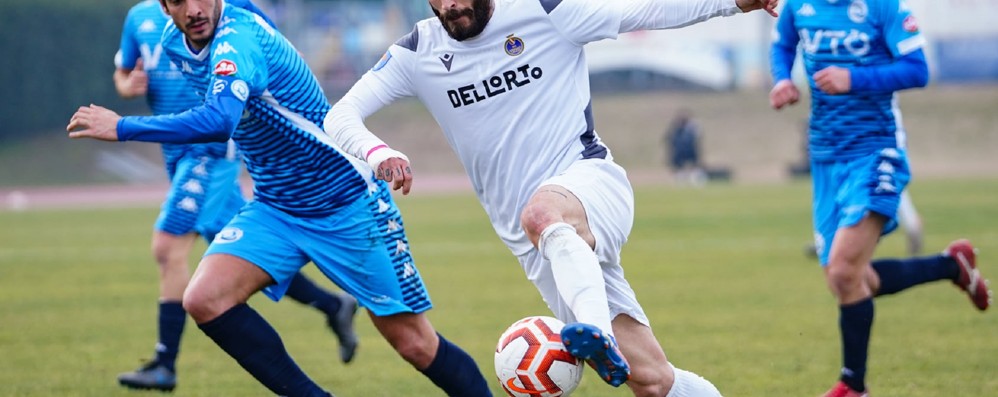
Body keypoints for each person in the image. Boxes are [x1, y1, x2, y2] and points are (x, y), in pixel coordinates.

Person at [323, 0, 779, 395]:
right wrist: (377, 151)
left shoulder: (545, 10)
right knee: (652, 380)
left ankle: (593, 331)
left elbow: (642, 10)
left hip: (588, 179)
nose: (450, 8)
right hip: (535, 244)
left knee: (541, 212)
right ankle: (601, 334)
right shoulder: (417, 51)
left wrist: (734, 3)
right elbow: (340, 114)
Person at [68, 1, 492, 396]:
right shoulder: (173, 41)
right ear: (163, 6)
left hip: (344, 199)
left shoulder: (238, 40)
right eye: (178, 0)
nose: (194, 10)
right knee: (205, 299)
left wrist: (123, 127)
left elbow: (219, 120)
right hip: (276, 205)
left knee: (413, 343)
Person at [112, 0, 360, 392]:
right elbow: (123, 74)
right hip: (175, 150)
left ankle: (165, 362)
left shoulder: (228, 13)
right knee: (240, 255)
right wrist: (129, 86)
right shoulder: (139, 19)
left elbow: (259, 50)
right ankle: (333, 305)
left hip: (211, 149)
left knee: (168, 246)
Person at [768, 0, 992, 396]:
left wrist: (853, 78)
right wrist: (782, 79)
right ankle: (950, 266)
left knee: (842, 272)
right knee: (851, 280)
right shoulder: (797, 7)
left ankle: (853, 385)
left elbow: (918, 70)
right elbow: (783, 44)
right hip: (825, 158)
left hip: (876, 152)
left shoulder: (882, 7)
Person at [664, 109, 707, 186]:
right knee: (679, 169)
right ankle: (681, 182)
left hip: (691, 150)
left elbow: (698, 137)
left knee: (695, 167)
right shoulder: (676, 128)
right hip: (680, 152)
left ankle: (697, 182)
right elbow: (669, 139)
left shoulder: (692, 127)